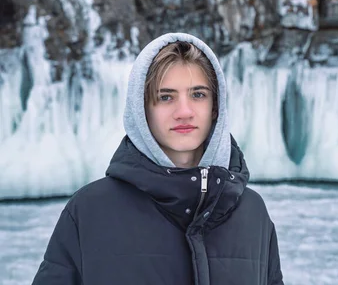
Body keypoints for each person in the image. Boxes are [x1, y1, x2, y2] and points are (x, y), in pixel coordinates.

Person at [32, 33, 284, 285]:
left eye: (198, 95)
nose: (184, 112)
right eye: (166, 97)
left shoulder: (253, 213)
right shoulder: (88, 211)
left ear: (215, 106)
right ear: (142, 110)